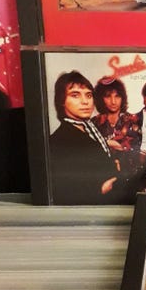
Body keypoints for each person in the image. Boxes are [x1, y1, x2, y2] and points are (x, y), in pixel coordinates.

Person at [49, 70, 120, 204]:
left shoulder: (91, 128)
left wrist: (112, 162)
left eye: (88, 95)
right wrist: (100, 189)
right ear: (62, 101)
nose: (85, 101)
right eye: (75, 95)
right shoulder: (57, 141)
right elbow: (61, 190)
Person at [92, 76, 141, 178]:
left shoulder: (132, 120)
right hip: (102, 177)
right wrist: (108, 143)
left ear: (122, 98)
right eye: (108, 96)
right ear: (101, 98)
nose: (113, 101)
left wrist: (105, 143)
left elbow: (136, 152)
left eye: (117, 96)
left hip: (128, 177)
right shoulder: (94, 123)